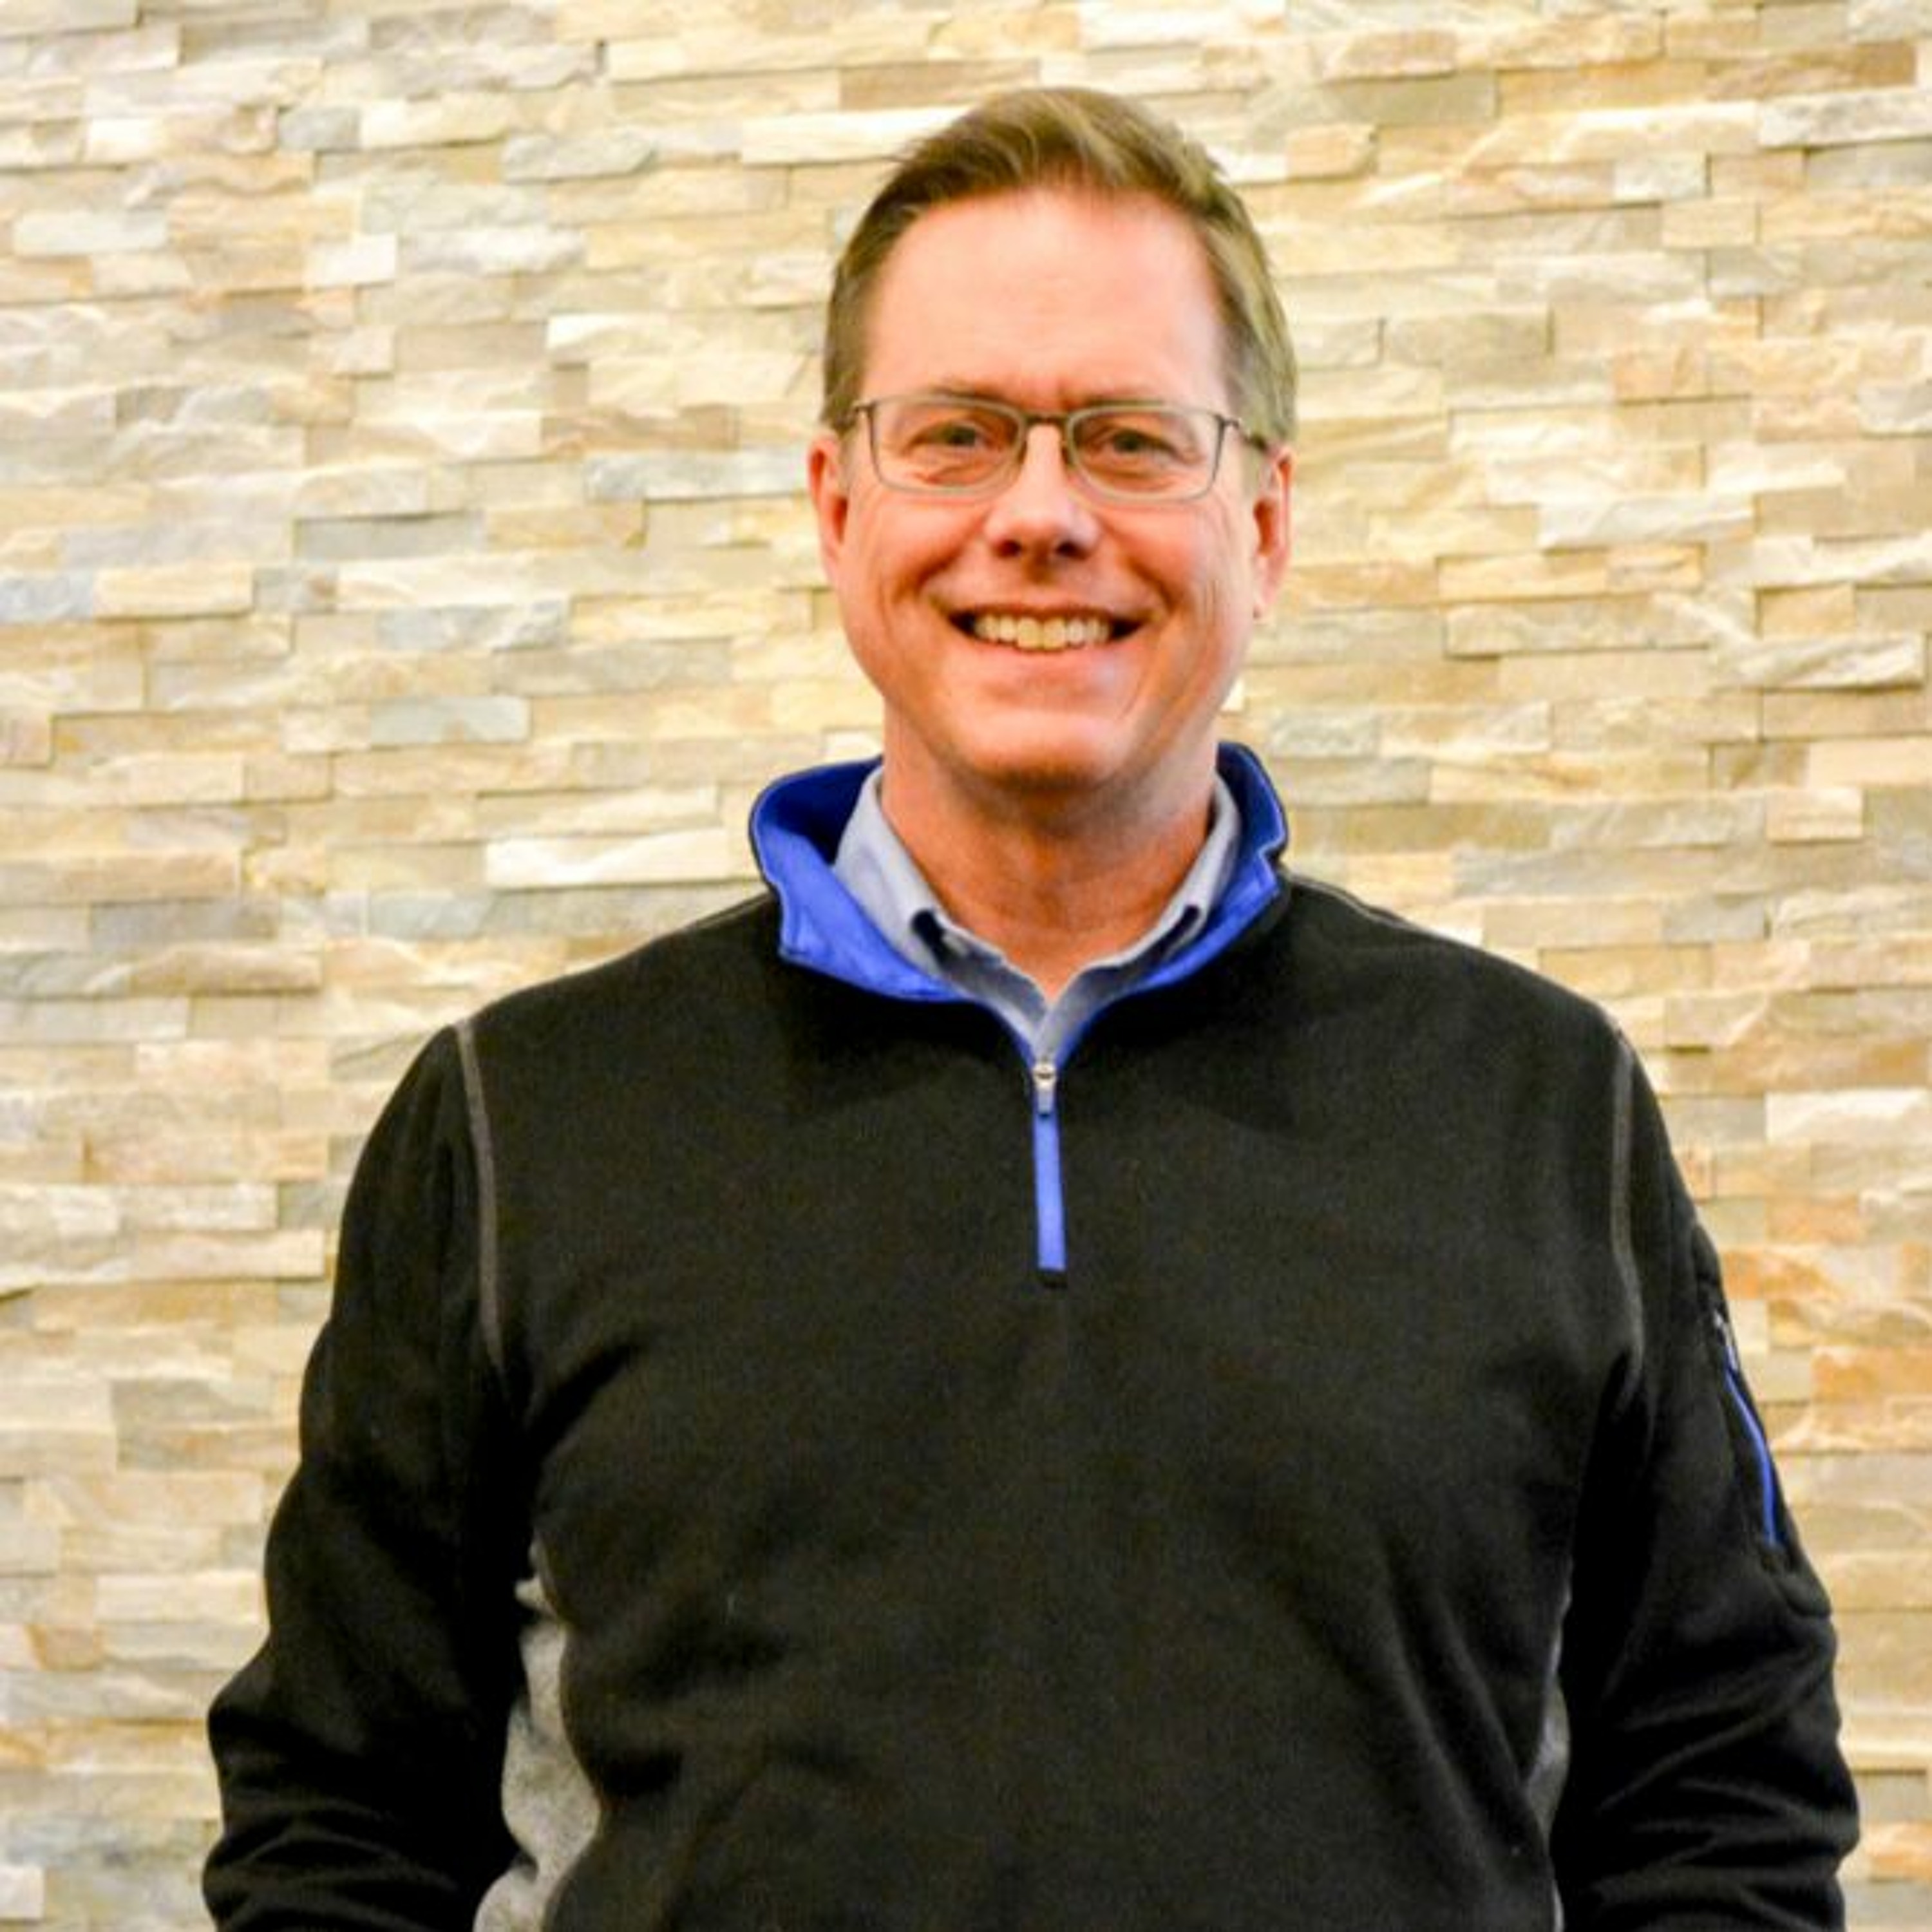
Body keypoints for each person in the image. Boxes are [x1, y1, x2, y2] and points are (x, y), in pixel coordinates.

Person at [204, 86, 1858, 1929]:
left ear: (1265, 522)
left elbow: (1724, 1807)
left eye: (1133, 440)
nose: (1043, 516)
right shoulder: (520, 1125)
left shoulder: (1542, 1108)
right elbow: (339, 1829)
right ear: (839, 507)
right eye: (958, 437)